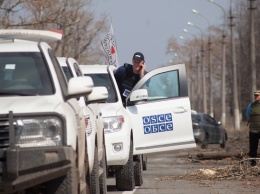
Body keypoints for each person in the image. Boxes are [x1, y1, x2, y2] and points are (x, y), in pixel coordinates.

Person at [245, 90, 260, 166]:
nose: (257, 97)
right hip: (253, 130)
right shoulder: (250, 105)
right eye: (256, 95)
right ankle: (253, 165)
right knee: (253, 149)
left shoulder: (250, 105)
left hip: (253, 130)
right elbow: (248, 117)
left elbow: (248, 118)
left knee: (253, 148)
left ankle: (253, 164)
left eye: (258, 95)